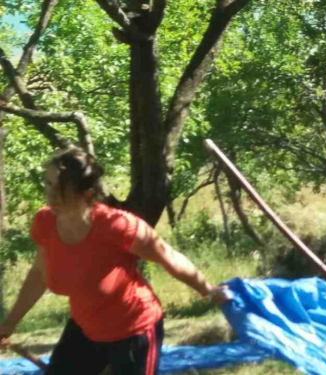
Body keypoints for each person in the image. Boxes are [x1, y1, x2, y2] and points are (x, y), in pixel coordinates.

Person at [0, 147, 229, 375]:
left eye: (61, 188)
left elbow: (168, 257)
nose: (51, 194)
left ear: (87, 194)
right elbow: (39, 274)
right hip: (86, 328)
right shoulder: (45, 223)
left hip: (134, 329)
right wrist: (9, 323)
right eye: (48, 184)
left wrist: (208, 290)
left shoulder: (117, 226)